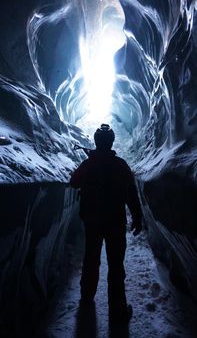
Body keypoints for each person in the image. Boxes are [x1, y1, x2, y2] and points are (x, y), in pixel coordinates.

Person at [70, 124, 142, 323]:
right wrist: (137, 216)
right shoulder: (120, 165)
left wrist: (89, 164)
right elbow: (131, 192)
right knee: (116, 264)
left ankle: (86, 296)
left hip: (92, 220)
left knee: (91, 258)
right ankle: (118, 311)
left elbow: (73, 182)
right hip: (115, 222)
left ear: (96, 142)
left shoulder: (88, 165)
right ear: (111, 142)